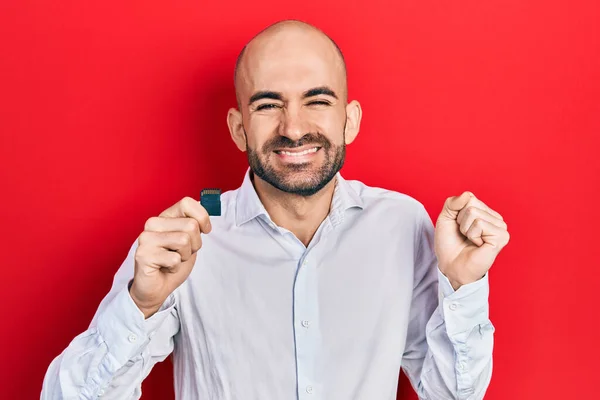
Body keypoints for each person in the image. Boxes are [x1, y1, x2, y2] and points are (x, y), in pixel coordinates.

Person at [41, 20, 510, 400]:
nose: (293, 128)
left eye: (317, 100)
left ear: (350, 121)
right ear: (239, 128)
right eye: (268, 105)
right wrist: (139, 306)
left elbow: (453, 395)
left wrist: (463, 287)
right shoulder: (186, 238)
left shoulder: (401, 224)